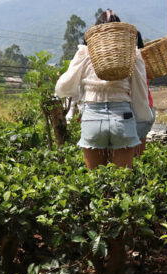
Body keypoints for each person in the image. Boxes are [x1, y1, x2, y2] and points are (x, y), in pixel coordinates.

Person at [55, 10, 150, 169]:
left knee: (95, 181)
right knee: (122, 181)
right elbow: (140, 90)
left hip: (92, 116)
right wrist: (143, 116)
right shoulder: (130, 53)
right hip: (122, 116)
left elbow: (64, 86)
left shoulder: (86, 53)